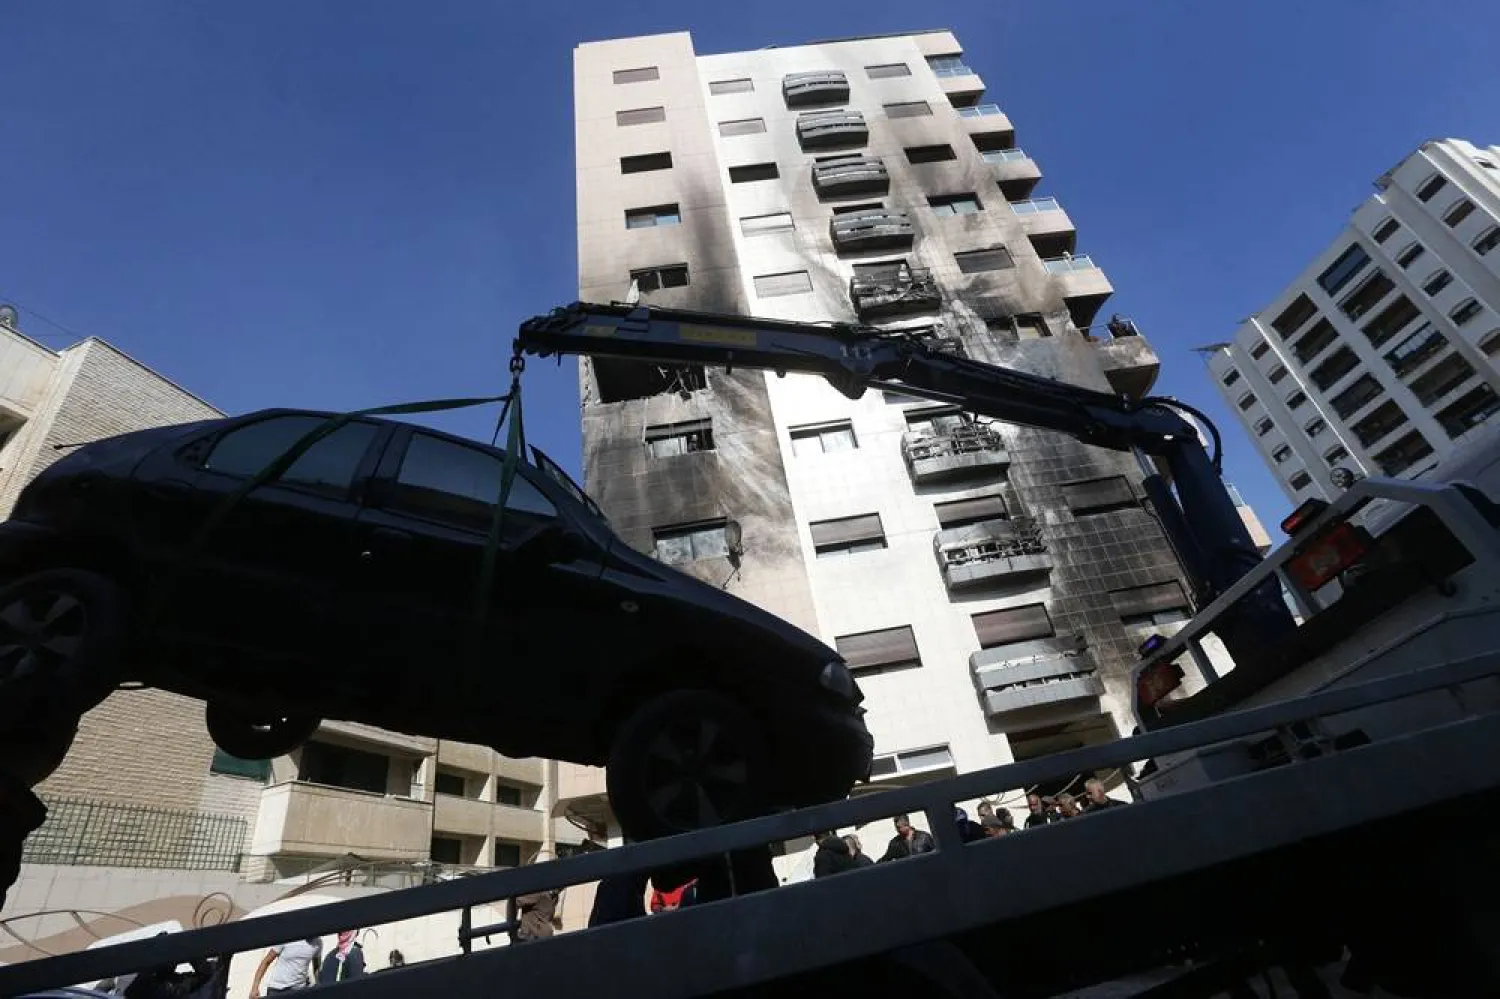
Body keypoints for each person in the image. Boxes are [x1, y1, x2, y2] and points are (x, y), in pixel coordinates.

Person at [249, 936, 322, 995]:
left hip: (299, 990)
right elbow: (266, 961)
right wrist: (254, 988)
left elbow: (316, 967)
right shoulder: (287, 937)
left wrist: (319, 985)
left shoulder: (318, 942)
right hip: (277, 989)